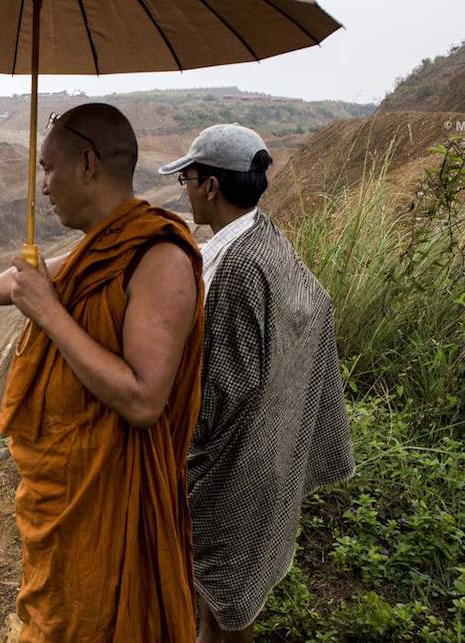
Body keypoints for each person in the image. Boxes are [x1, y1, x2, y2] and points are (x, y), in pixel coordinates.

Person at [0, 103, 204, 642]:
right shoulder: (96, 250)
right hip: (69, 502)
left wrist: (47, 312)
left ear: (89, 164)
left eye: (49, 169)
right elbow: (21, 281)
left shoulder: (158, 259)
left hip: (116, 506)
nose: (44, 187)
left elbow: (145, 401)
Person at [157, 124, 355, 643]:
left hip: (236, 469)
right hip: (264, 454)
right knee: (220, 599)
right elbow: (314, 308)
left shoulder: (238, 265)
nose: (187, 191)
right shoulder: (260, 235)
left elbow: (222, 389)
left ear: (211, 187)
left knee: (228, 609)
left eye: (189, 180)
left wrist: (169, 434)